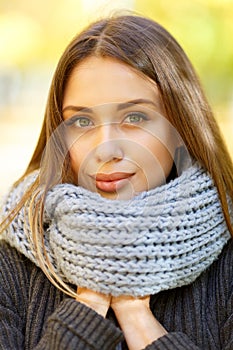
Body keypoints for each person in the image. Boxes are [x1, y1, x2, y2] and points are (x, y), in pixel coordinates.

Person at [0, 13, 233, 350]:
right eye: (81, 121)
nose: (106, 149)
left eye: (134, 117)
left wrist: (140, 322)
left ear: (181, 127)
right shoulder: (14, 258)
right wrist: (88, 311)